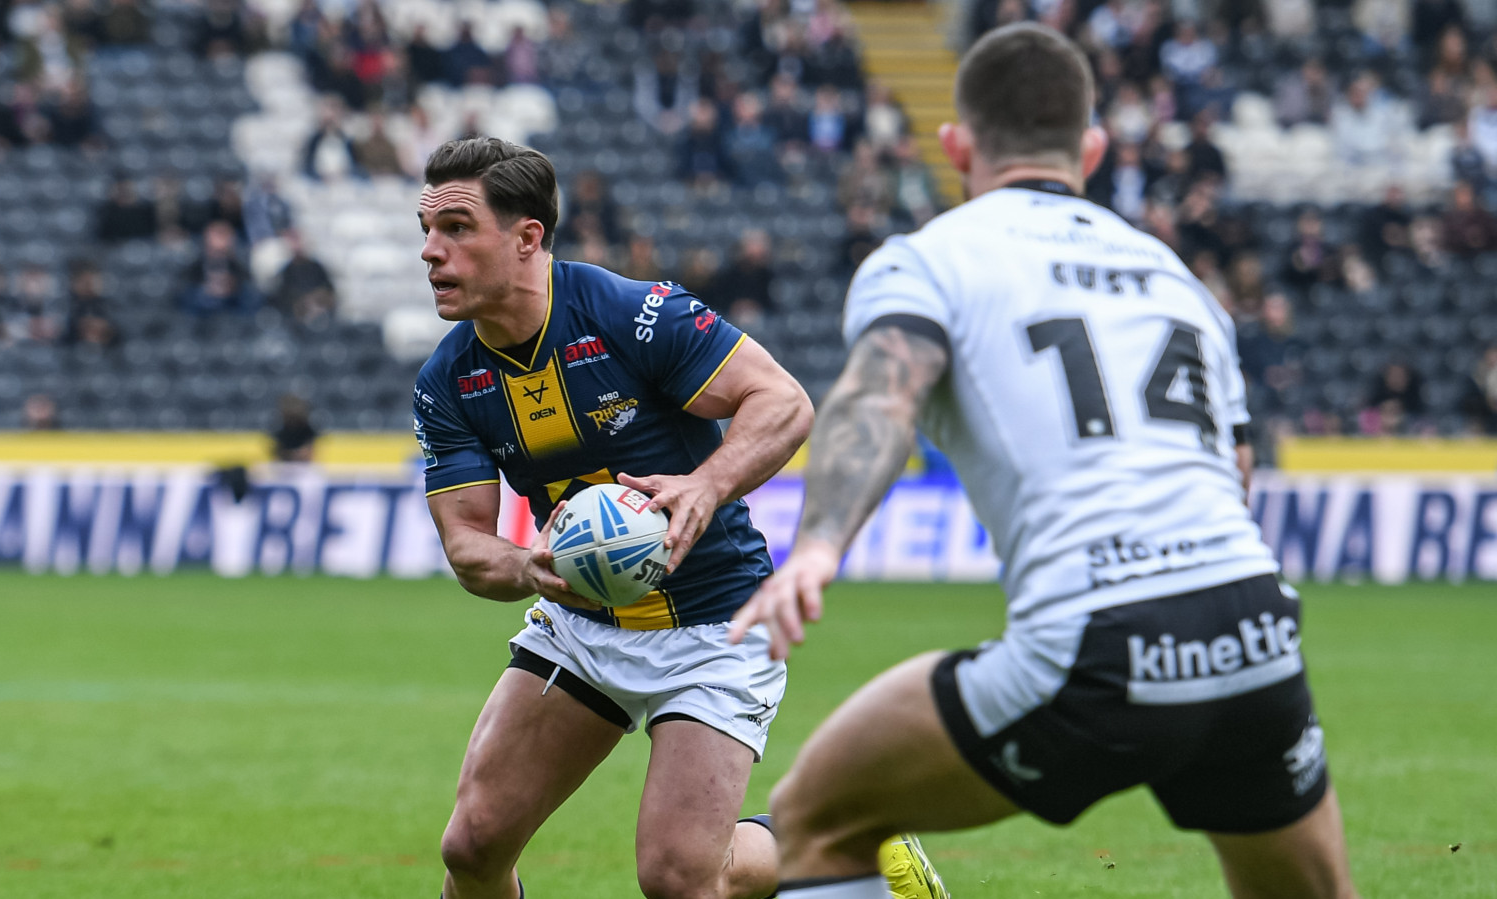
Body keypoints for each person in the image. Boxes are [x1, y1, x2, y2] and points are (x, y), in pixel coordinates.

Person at [731, 24, 1357, 899]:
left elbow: (880, 398)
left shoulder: (928, 260)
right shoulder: (1176, 278)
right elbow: (1235, 470)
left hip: (1097, 637)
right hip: (1253, 629)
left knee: (815, 818)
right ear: (1092, 149)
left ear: (956, 147)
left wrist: (819, 546)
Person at [411, 137, 942, 899]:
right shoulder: (448, 379)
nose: (431, 250)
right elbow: (466, 543)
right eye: (427, 229)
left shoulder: (631, 314)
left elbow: (784, 401)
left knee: (680, 876)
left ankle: (850, 841)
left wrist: (705, 484)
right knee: (472, 845)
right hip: (582, 626)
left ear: (527, 237)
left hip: (713, 625)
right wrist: (528, 564)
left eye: (456, 227)